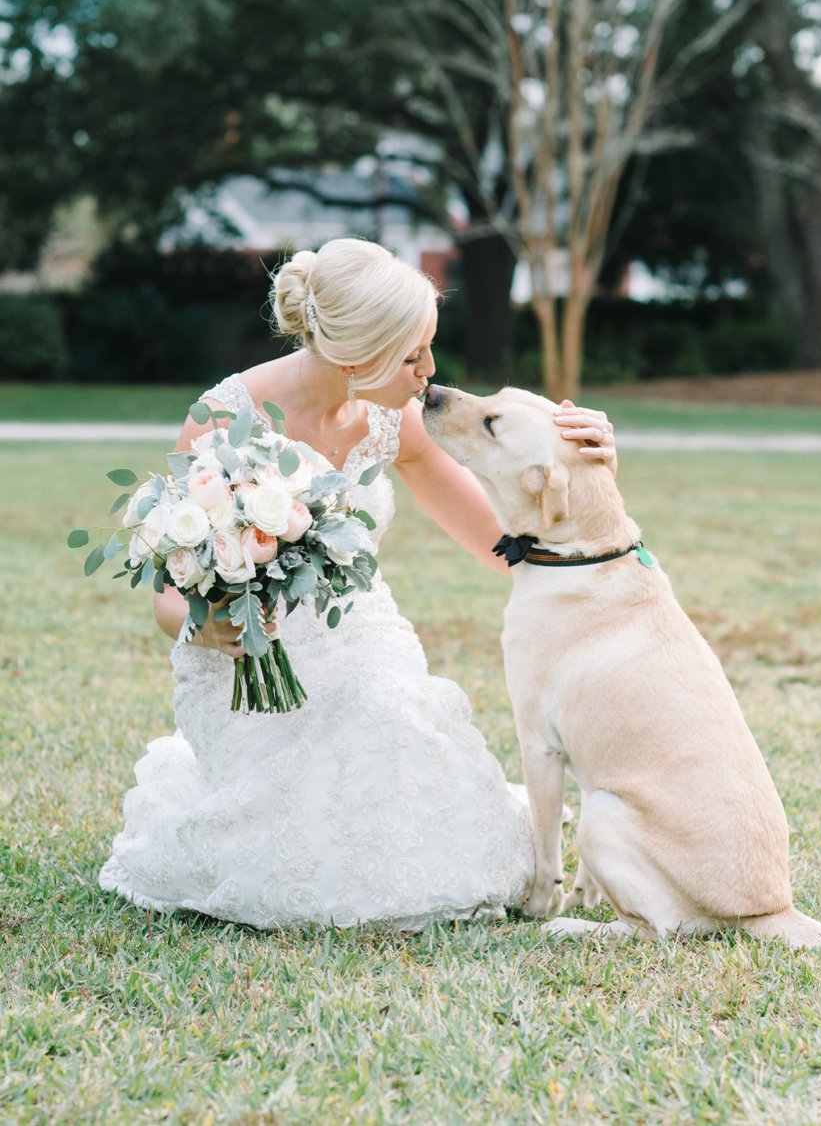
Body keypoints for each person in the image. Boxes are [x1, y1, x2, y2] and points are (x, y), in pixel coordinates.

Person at [100, 238, 618, 929]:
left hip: (366, 644)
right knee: (305, 827)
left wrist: (582, 468)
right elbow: (169, 588)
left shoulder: (394, 420)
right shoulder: (226, 416)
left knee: (394, 731)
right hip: (249, 662)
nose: (430, 374)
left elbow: (503, 543)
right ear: (353, 358)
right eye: (412, 357)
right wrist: (203, 625)